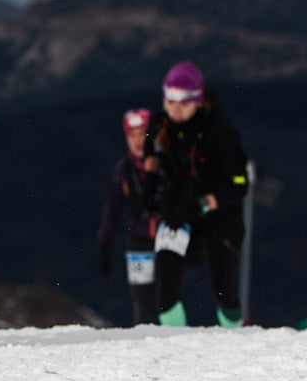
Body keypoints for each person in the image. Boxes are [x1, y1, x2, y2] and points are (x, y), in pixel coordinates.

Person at [144, 61, 249, 328]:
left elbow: (239, 183)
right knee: (166, 283)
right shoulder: (158, 126)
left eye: (183, 104)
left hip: (220, 216)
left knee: (223, 288)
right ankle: (175, 348)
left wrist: (204, 202)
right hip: (179, 212)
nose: (175, 111)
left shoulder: (220, 132)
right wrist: (153, 194)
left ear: (198, 102)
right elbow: (153, 164)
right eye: (170, 103)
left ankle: (237, 336)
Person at [97, 108, 160, 325]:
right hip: (139, 240)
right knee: (143, 301)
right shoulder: (124, 170)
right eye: (132, 135)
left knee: (168, 298)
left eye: (142, 134)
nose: (138, 141)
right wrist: (105, 243)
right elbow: (113, 209)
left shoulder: (166, 162)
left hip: (168, 237)